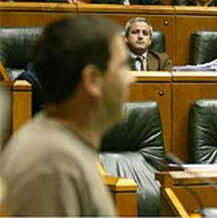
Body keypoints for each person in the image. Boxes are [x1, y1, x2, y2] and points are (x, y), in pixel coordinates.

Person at [0, 16, 133, 215]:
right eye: (123, 66)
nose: (132, 77)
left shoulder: (64, 147)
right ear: (92, 80)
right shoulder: (53, 164)